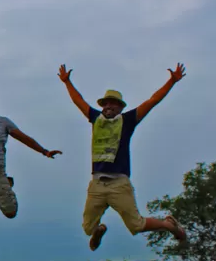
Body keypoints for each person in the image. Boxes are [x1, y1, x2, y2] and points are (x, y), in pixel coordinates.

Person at [57, 63, 188, 250]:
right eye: (106, 103)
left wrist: (172, 81)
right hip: (97, 183)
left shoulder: (127, 120)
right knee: (87, 228)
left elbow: (152, 101)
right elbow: (78, 101)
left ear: (120, 107)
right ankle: (99, 230)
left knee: (137, 225)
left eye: (113, 103)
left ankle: (168, 225)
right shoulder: (96, 119)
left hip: (119, 183)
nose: (109, 106)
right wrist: (67, 81)